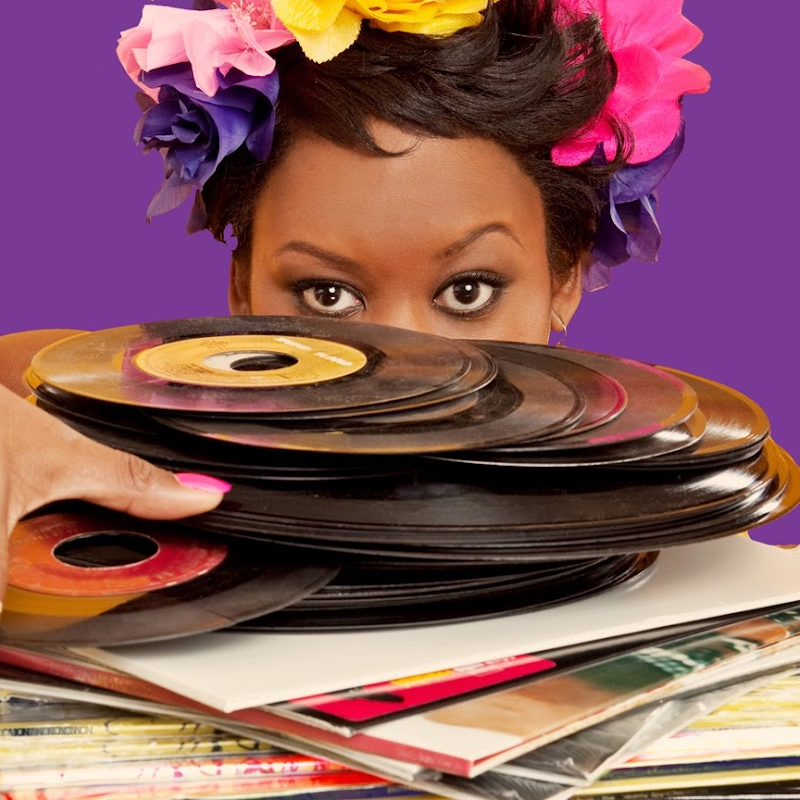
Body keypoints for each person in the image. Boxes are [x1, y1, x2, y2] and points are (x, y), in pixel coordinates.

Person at [0, 0, 710, 603]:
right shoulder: (113, 427)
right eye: (328, 294)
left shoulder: (683, 531)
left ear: (565, 277)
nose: (406, 370)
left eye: (467, 292)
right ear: (241, 288)